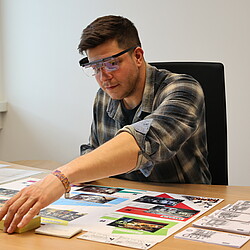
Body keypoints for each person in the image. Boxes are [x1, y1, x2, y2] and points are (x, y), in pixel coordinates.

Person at [0, 15, 211, 233]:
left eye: (111, 63)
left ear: (138, 56)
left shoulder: (183, 88)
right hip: (123, 206)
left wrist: (61, 177)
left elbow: (145, 140)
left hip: (185, 209)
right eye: (95, 67)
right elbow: (94, 152)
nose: (104, 77)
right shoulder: (104, 96)